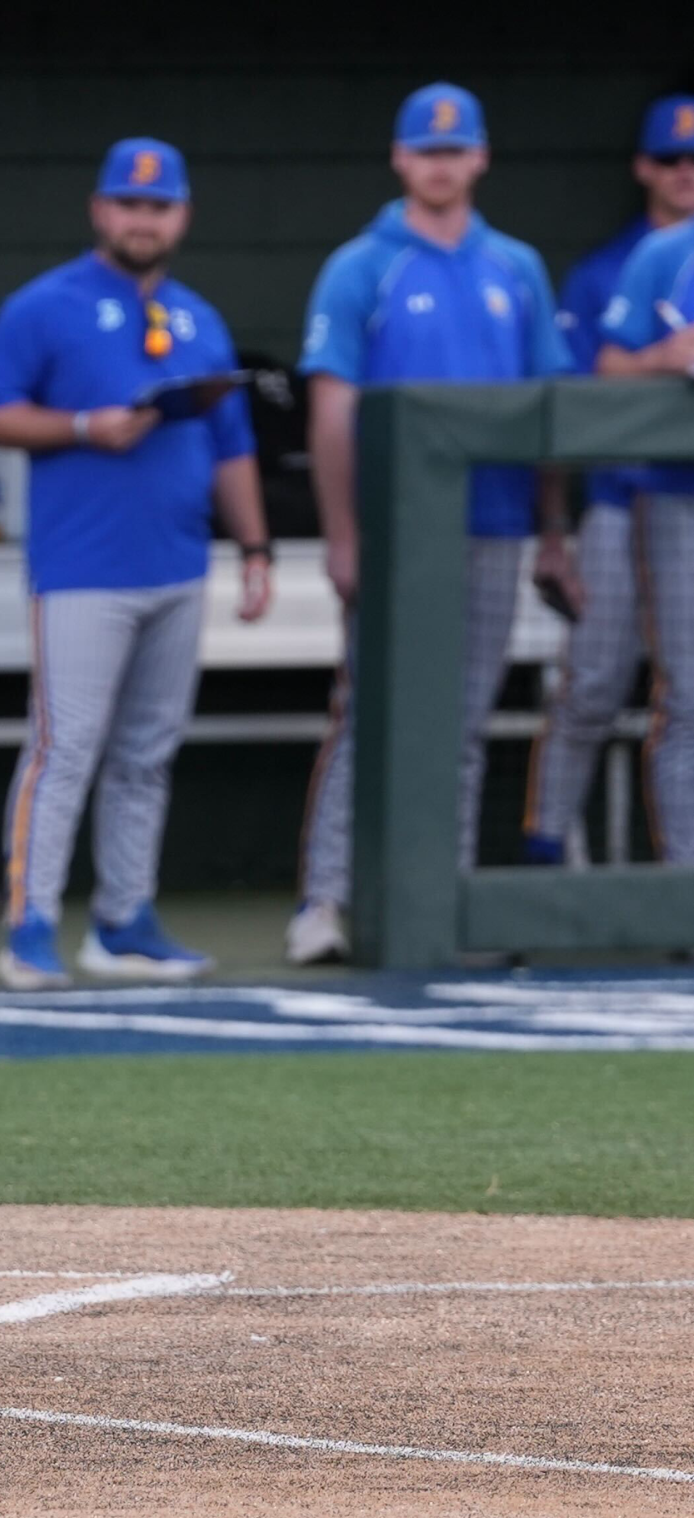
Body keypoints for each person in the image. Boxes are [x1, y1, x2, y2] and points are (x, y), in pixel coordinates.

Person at [0, 140, 273, 990]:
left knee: (148, 750)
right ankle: (29, 924)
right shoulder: (45, 305)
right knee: (64, 747)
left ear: (182, 215)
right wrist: (82, 426)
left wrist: (253, 547)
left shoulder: (199, 317)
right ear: (102, 210)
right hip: (83, 566)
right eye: (130, 204)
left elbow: (231, 444)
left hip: (177, 561)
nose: (144, 219)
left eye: (160, 205)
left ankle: (124, 921)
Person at [288, 84, 573, 965]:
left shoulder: (515, 266)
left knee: (464, 720)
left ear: (481, 157)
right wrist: (345, 534)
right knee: (366, 713)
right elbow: (330, 408)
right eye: (426, 149)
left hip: (491, 523)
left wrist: (552, 533)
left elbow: (549, 409)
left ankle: (439, 906)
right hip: (395, 530)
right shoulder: (362, 265)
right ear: (400, 159)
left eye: (456, 148)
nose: (442, 163)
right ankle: (326, 901)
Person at [524, 94, 694, 863]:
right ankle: (545, 850)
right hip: (624, 503)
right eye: (670, 159)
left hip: (680, 506)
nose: (685, 173)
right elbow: (579, 392)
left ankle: (681, 885)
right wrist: (554, 526)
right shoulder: (614, 268)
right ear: (643, 168)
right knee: (593, 684)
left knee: (689, 700)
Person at [590, 145, 694, 856]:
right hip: (673, 498)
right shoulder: (665, 254)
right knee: (687, 697)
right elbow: (608, 368)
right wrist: (671, 355)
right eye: (673, 157)